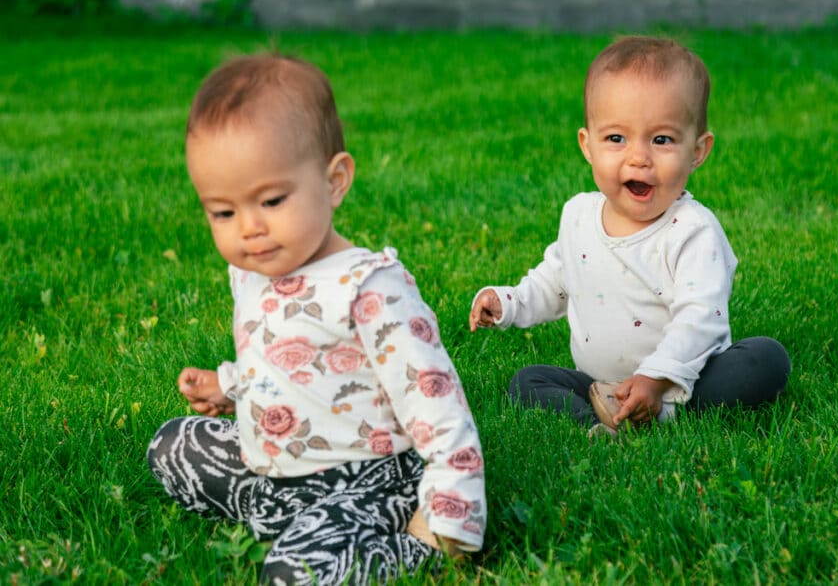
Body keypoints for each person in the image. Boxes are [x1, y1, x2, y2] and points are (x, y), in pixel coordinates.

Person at [147, 54, 486, 585]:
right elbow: (286, 364)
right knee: (170, 446)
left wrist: (449, 515)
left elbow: (436, 403)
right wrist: (231, 386)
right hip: (277, 470)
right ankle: (288, 518)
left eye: (272, 200)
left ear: (334, 181)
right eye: (223, 212)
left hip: (368, 477)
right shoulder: (256, 269)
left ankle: (403, 548)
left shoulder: (369, 290)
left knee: (292, 575)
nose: (250, 229)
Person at [469, 36, 790, 436]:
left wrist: (655, 379)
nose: (638, 157)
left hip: (684, 380)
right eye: (616, 138)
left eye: (661, 140)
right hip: (599, 385)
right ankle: (599, 424)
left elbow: (700, 318)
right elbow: (554, 283)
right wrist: (507, 302)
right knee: (527, 382)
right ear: (588, 145)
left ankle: (667, 409)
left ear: (698, 151)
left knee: (765, 359)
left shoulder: (692, 231)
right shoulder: (578, 216)